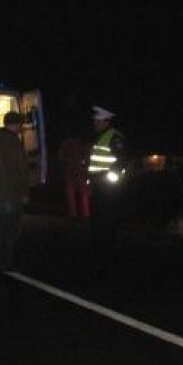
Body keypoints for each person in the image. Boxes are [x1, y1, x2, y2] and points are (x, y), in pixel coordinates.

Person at [0, 111, 30, 273]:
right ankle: (5, 262)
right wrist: (24, 191)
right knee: (10, 229)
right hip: (10, 193)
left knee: (2, 227)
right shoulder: (12, 142)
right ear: (15, 124)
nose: (21, 127)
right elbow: (17, 171)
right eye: (20, 124)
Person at [87, 105, 125, 271]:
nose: (94, 123)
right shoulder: (99, 136)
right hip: (98, 185)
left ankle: (108, 255)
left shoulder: (114, 137)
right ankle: (99, 253)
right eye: (94, 121)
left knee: (107, 220)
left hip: (107, 187)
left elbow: (122, 160)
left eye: (97, 120)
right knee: (98, 220)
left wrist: (109, 179)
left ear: (105, 121)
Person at [58, 129, 91, 220]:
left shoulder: (67, 143)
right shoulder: (83, 143)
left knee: (71, 193)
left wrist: (66, 163)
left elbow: (61, 156)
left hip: (72, 170)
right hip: (79, 171)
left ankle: (74, 214)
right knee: (83, 193)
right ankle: (85, 214)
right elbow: (88, 157)